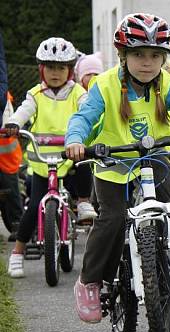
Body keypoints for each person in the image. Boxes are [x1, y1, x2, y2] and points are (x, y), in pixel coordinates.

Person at [64, 13, 170, 324]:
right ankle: (90, 281)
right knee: (112, 218)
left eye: (154, 56)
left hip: (154, 155)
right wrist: (76, 140)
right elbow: (83, 117)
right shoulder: (105, 85)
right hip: (112, 162)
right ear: (123, 55)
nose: (146, 63)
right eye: (138, 54)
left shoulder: (167, 82)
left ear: (163, 58)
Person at [4, 37, 98, 278]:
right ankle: (17, 253)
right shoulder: (36, 93)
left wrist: (95, 122)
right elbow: (24, 110)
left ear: (69, 71)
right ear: (41, 69)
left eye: (61, 68)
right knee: (35, 206)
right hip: (43, 162)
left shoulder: (77, 92)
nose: (55, 73)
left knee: (85, 161)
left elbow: (88, 109)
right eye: (50, 67)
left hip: (70, 155)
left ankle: (84, 200)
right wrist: (14, 122)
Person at [0, 92, 22, 242]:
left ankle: (17, 225)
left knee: (10, 191)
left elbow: (7, 120)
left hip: (6, 154)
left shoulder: (4, 96)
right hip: (6, 153)